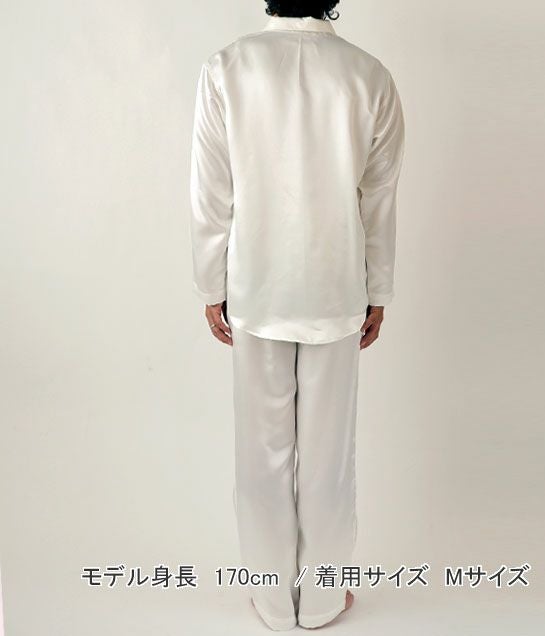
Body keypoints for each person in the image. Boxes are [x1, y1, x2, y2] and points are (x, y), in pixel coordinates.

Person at [189, 0, 405, 630]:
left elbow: (212, 191)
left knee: (261, 450)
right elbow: (378, 197)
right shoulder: (369, 75)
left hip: (256, 287)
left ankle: (269, 597)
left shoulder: (227, 68)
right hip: (336, 287)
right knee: (329, 454)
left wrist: (209, 280)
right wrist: (379, 288)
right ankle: (322, 599)